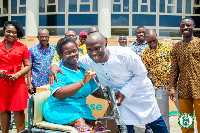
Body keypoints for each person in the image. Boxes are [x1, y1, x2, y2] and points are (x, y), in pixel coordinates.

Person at [50, 32, 168, 133]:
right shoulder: (87, 59)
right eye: (90, 49)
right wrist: (54, 66)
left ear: (105, 44)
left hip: (139, 94)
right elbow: (69, 59)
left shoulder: (124, 54)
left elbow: (141, 73)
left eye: (97, 48)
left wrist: (125, 92)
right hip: (119, 98)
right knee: (125, 127)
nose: (94, 53)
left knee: (156, 123)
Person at [43, 37, 109, 132]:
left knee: (98, 125)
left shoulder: (83, 70)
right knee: (80, 122)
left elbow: (95, 91)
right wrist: (82, 82)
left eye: (74, 51)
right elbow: (58, 94)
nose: (73, 54)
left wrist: (112, 96)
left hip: (80, 109)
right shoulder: (59, 71)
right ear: (61, 55)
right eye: (68, 53)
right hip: (58, 108)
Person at [169, 18, 200, 133]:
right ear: (180, 29)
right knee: (186, 121)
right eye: (182, 26)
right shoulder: (176, 47)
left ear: (193, 26)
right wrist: (172, 87)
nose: (185, 28)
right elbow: (174, 69)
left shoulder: (199, 43)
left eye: (188, 25)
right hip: (183, 88)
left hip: (199, 87)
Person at [0, 20, 31, 133]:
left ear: (17, 34)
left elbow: (28, 65)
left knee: (18, 110)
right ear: (4, 32)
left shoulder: (22, 47)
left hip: (17, 81)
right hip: (2, 82)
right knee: (4, 110)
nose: (11, 34)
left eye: (14, 32)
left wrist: (18, 74)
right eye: (9, 32)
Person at [141, 29, 172, 133]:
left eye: (153, 40)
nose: (152, 43)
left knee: (183, 111)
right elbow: (144, 72)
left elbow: (176, 64)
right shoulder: (145, 52)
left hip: (174, 85)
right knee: (163, 114)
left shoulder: (168, 47)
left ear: (156, 36)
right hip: (159, 87)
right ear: (146, 40)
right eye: (149, 42)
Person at [27, 29, 55, 94]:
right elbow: (29, 67)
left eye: (46, 37)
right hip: (36, 84)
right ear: (38, 37)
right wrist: (29, 83)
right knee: (36, 103)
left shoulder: (54, 51)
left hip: (50, 84)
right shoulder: (32, 50)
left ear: (49, 37)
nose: (44, 39)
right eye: (42, 37)